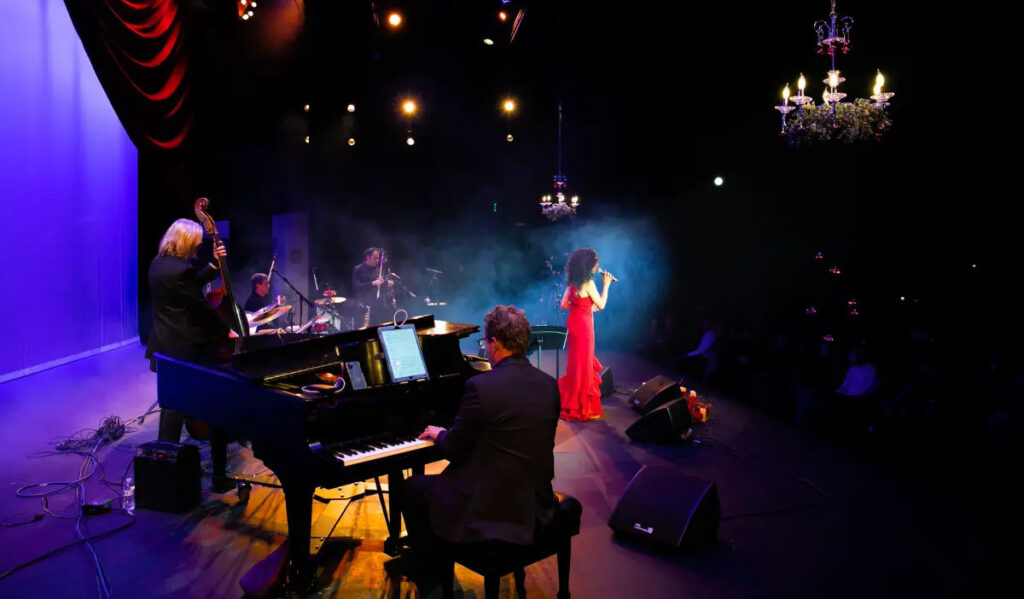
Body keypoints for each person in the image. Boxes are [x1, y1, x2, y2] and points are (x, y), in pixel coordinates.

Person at [402, 305, 560, 593]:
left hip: (489, 507)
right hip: (534, 501)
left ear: (495, 343)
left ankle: (431, 578)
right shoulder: (549, 385)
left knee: (412, 489)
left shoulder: (480, 387)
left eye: (485, 343)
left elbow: (454, 449)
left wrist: (440, 434)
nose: (485, 349)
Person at [145, 218, 234, 443]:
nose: (197, 247)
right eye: (195, 242)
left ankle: (167, 456)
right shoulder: (182, 269)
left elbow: (188, 286)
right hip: (184, 346)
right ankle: (168, 459)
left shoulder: (158, 263)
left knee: (171, 402)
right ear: (186, 241)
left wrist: (214, 265)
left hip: (163, 342)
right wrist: (227, 332)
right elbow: (201, 307)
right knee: (178, 405)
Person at [558, 248, 613, 421]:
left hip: (574, 324)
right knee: (583, 363)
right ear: (589, 264)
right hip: (584, 327)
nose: (597, 266)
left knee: (577, 362)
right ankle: (580, 404)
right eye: (596, 262)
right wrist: (606, 285)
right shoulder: (589, 284)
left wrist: (585, 306)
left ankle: (572, 396)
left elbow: (564, 305)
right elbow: (602, 304)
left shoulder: (572, 282)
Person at [352, 247, 393, 326]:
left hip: (379, 305)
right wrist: (372, 283)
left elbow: (383, 287)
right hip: (365, 306)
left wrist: (383, 282)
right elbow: (356, 286)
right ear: (368, 257)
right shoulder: (358, 269)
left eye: (378, 258)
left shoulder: (377, 269)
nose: (377, 261)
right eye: (375, 258)